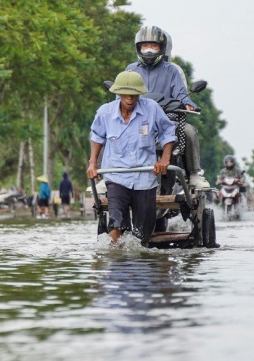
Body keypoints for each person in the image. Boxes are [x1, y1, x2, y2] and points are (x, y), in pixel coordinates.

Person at [87, 71, 177, 245]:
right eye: (125, 95)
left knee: (142, 234)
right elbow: (97, 137)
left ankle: (139, 261)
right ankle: (115, 260)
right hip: (116, 176)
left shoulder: (151, 109)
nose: (129, 100)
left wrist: (164, 159)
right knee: (116, 224)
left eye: (134, 96)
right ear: (118, 94)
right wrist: (93, 163)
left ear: (139, 94)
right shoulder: (105, 113)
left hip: (144, 178)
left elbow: (168, 132)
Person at [125, 26, 210, 189]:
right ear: (138, 47)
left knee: (189, 132)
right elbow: (121, 94)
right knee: (104, 132)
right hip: (136, 121)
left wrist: (189, 104)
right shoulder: (130, 70)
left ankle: (194, 174)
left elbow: (181, 93)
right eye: (145, 46)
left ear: (162, 48)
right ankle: (104, 177)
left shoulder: (172, 70)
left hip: (166, 121)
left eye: (154, 46)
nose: (149, 50)